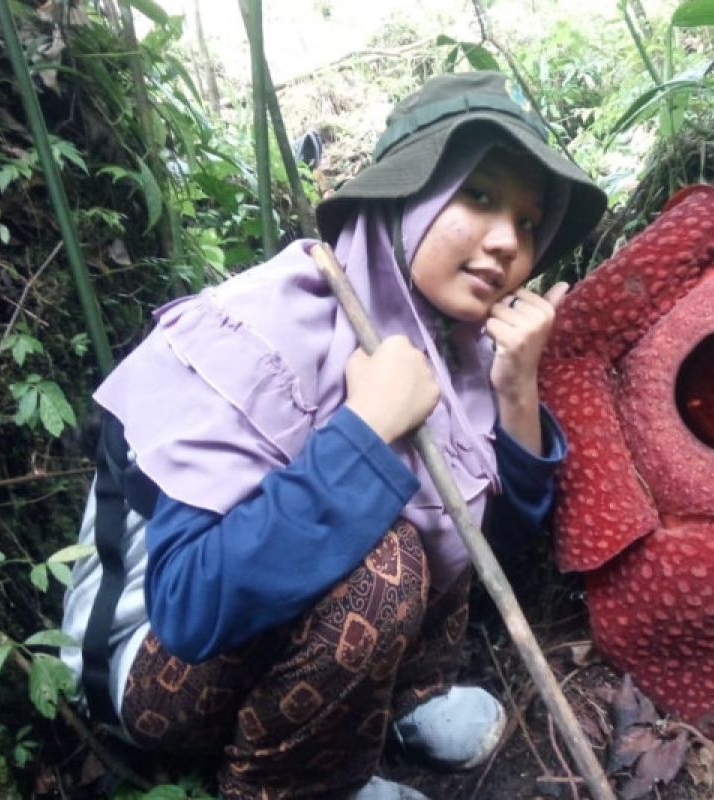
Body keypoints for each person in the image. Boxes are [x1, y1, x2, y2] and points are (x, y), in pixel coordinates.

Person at [60, 70, 607, 799]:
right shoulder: (260, 327)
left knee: (422, 504)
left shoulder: (458, 346)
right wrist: (363, 430)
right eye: (478, 195)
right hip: (148, 663)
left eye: (531, 221)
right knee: (384, 555)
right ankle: (297, 785)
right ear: (405, 197)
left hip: (267, 638)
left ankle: (409, 698)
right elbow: (189, 606)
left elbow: (495, 548)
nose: (509, 241)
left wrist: (516, 392)